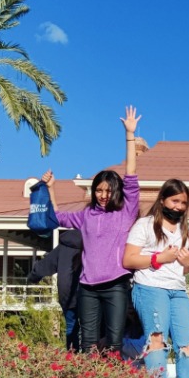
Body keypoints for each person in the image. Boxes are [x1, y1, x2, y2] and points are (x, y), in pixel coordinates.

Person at [46, 106, 142, 354]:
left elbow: (131, 175)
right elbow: (56, 217)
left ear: (116, 192)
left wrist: (129, 135)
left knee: (113, 343)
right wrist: (51, 189)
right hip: (87, 287)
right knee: (87, 344)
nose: (102, 195)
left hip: (116, 286)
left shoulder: (126, 211)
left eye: (108, 191)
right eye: (98, 190)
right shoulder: (86, 215)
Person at [122, 179, 189, 378]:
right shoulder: (145, 225)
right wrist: (159, 258)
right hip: (149, 287)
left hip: (177, 290)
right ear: (163, 199)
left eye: (183, 203)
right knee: (157, 339)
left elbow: (184, 270)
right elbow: (128, 259)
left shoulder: (185, 229)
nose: (178, 206)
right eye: (175, 200)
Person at [27, 229, 82, 351]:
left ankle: (74, 358)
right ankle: (95, 359)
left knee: (71, 327)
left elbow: (45, 265)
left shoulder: (63, 246)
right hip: (88, 293)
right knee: (91, 328)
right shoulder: (91, 241)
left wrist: (32, 277)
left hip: (66, 293)